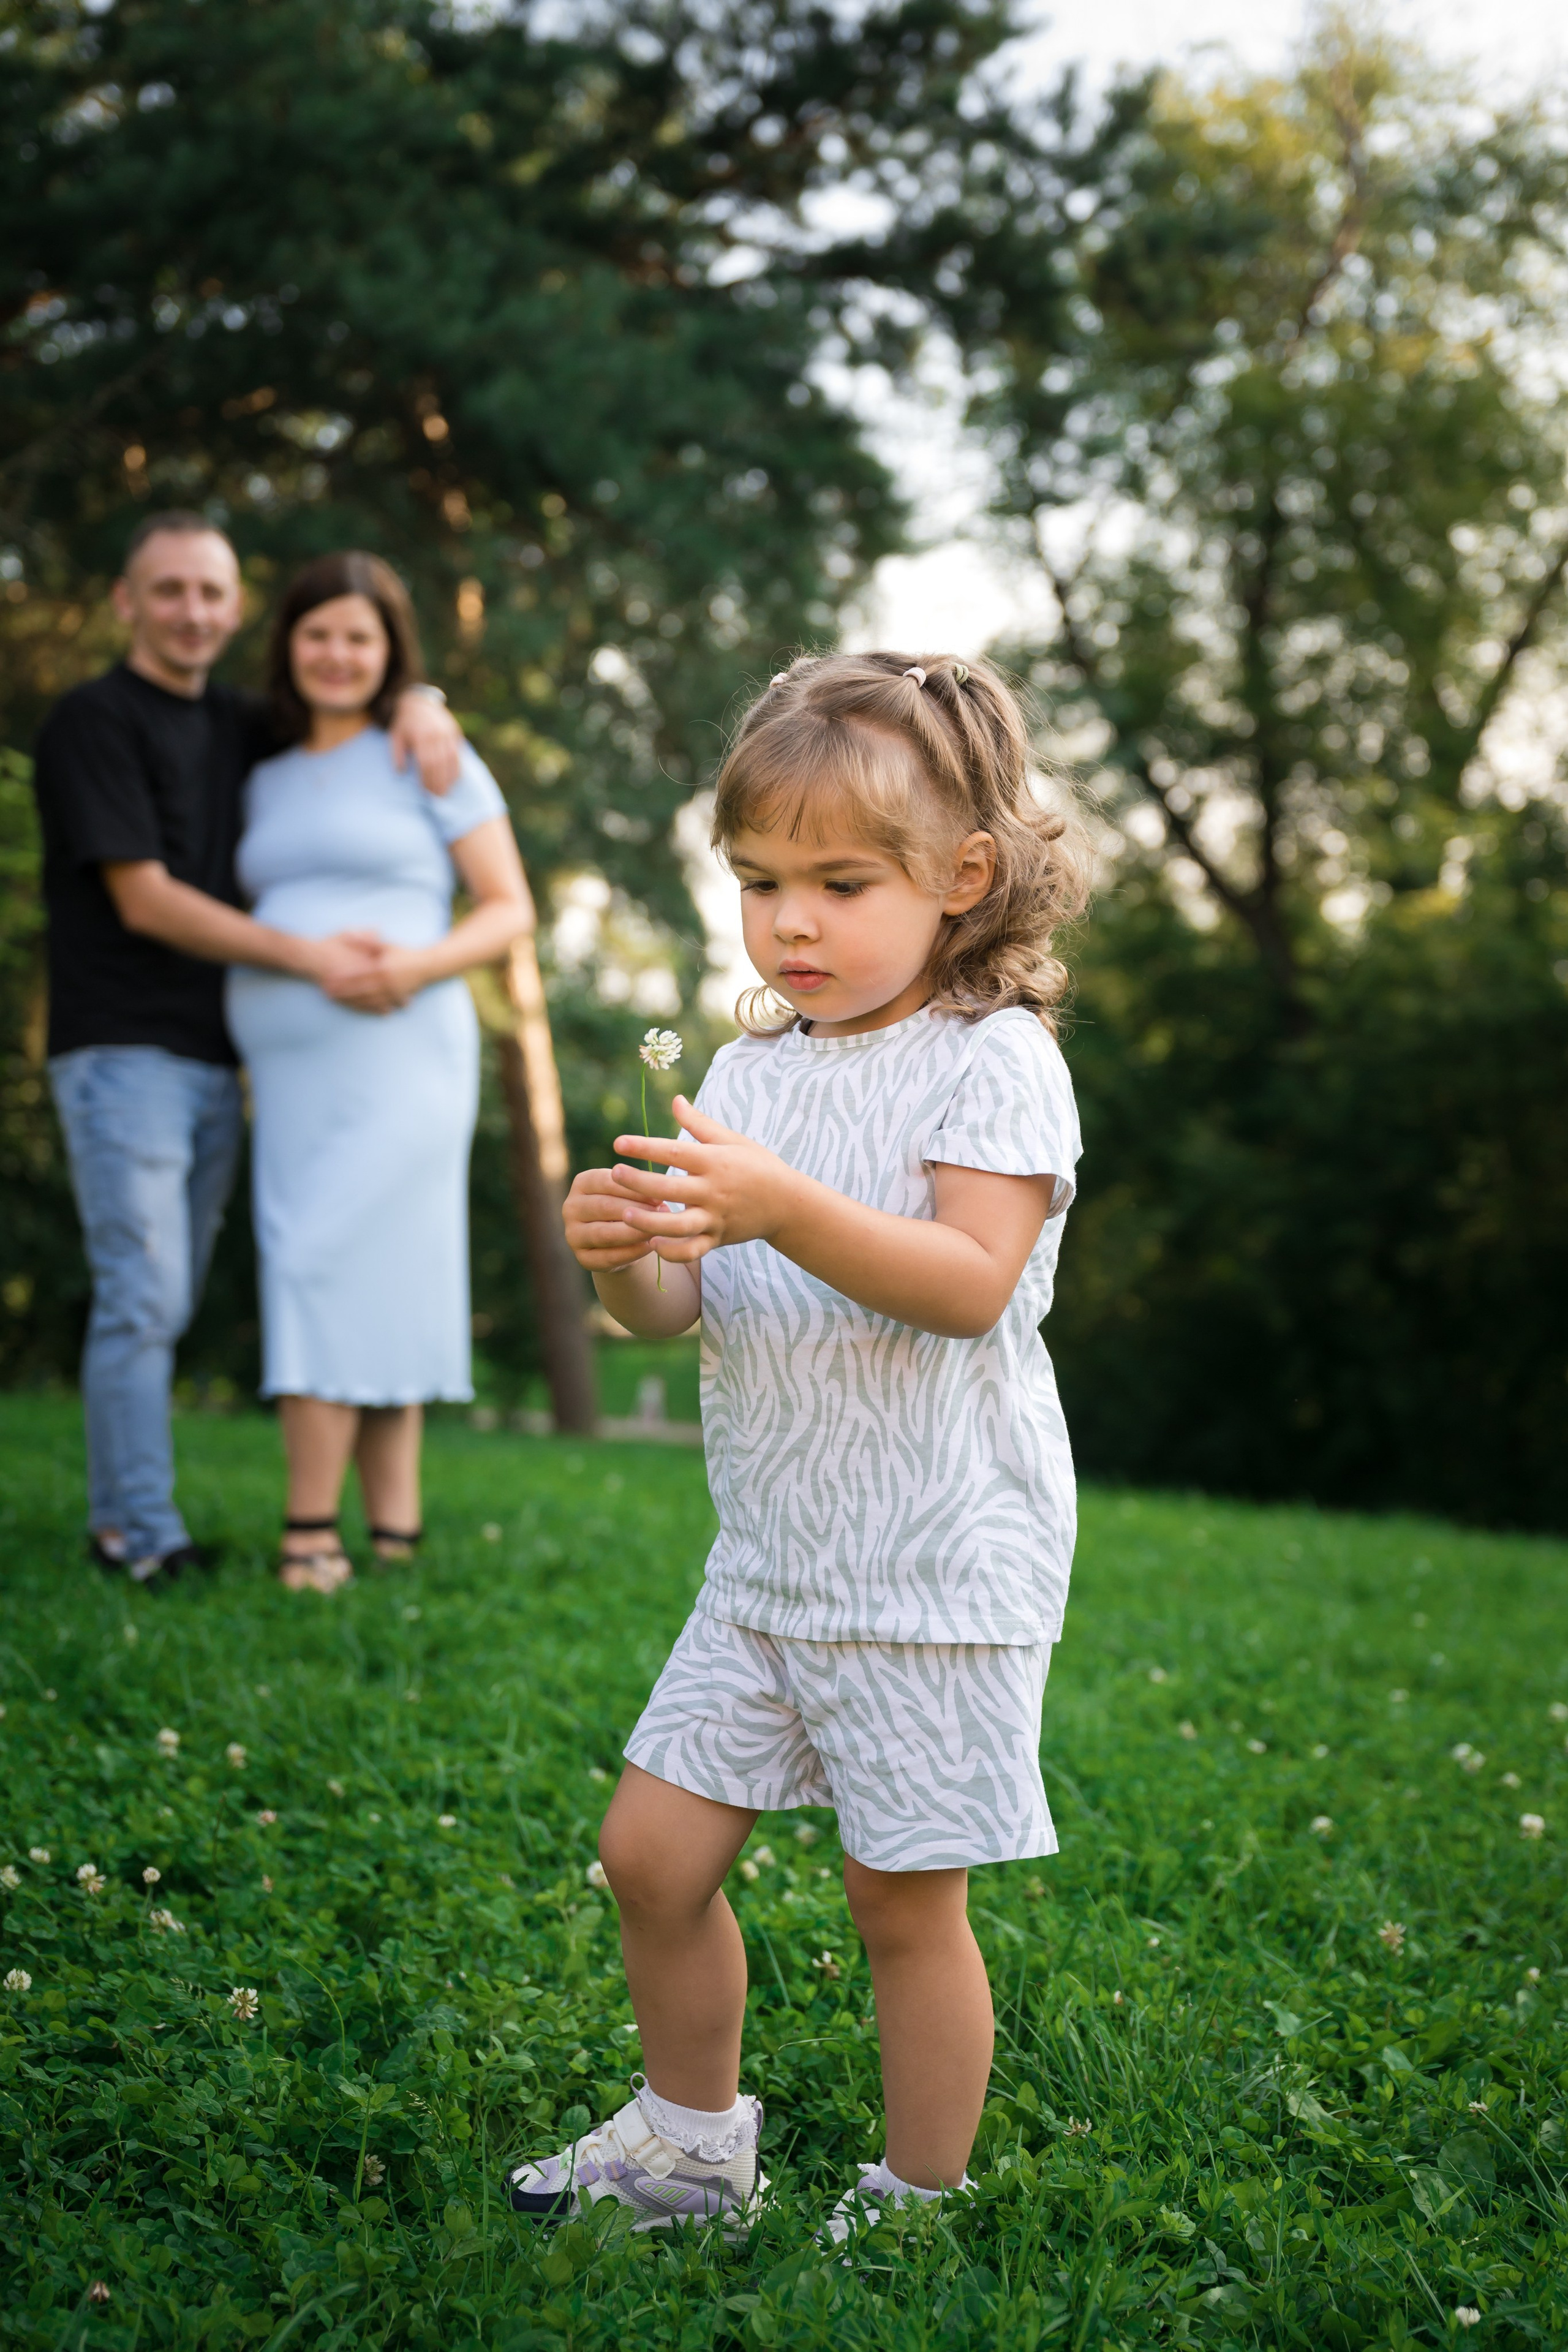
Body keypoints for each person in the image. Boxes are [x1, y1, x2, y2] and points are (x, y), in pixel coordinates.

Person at [507, 650, 1090, 2240]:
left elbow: (970, 1287)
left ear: (964, 878)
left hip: (933, 1565)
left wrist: (783, 1206)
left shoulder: (996, 1064)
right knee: (649, 1855)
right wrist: (620, 1247)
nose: (794, 924)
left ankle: (916, 2198)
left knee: (902, 1904)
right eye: (761, 883)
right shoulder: (751, 1072)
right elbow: (672, 1308)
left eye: (842, 881)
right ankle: (695, 2145)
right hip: (768, 1559)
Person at [32, 511, 463, 1588]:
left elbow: (355, 709)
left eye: (212, 593)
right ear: (128, 602)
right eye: (168, 590)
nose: (192, 612)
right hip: (123, 1049)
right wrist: (315, 959)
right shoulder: (91, 721)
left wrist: (424, 697)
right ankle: (136, 1531)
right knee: (146, 1295)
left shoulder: (242, 728)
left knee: (169, 1291)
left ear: (234, 611)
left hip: (225, 1060)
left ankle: (172, 1515)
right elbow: (144, 899)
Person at [225, 552, 532, 1595]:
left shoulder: (429, 753)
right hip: (294, 1070)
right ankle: (390, 1533)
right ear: (290, 646)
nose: (337, 654)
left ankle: (314, 1531)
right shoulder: (256, 771)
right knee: (324, 1259)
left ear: (390, 651)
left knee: (350, 1261)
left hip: (406, 1052)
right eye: (318, 633)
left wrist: (411, 965)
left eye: (360, 636)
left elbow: (507, 906)